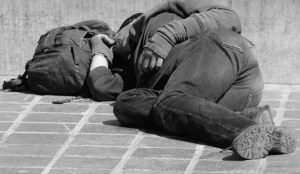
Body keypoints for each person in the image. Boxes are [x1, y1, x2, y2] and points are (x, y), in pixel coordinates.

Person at [87, 0, 297, 160]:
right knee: (126, 104)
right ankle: (249, 119)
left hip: (221, 50)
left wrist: (165, 36)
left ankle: (246, 130)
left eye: (118, 34)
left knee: (170, 102)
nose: (116, 39)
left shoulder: (166, 13)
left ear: (133, 23)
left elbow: (229, 17)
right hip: (221, 96)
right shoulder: (136, 66)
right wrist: (99, 49)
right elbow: (101, 87)